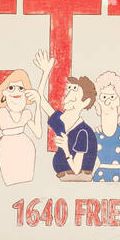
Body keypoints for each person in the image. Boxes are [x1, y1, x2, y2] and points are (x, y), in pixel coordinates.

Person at [33, 48, 97, 181]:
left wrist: (66, 148)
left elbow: (76, 169)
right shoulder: (62, 121)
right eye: (68, 88)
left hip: (76, 181)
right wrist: (45, 73)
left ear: (85, 101)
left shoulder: (83, 132)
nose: (69, 93)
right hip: (64, 181)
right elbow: (40, 100)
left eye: (74, 89)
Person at [0, 68, 43, 186]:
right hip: (6, 151)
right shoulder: (2, 113)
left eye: (21, 88)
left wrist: (38, 104)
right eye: (11, 88)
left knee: (27, 183)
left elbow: (38, 133)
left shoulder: (26, 113)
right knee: (12, 185)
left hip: (26, 150)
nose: (16, 92)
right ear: (4, 93)